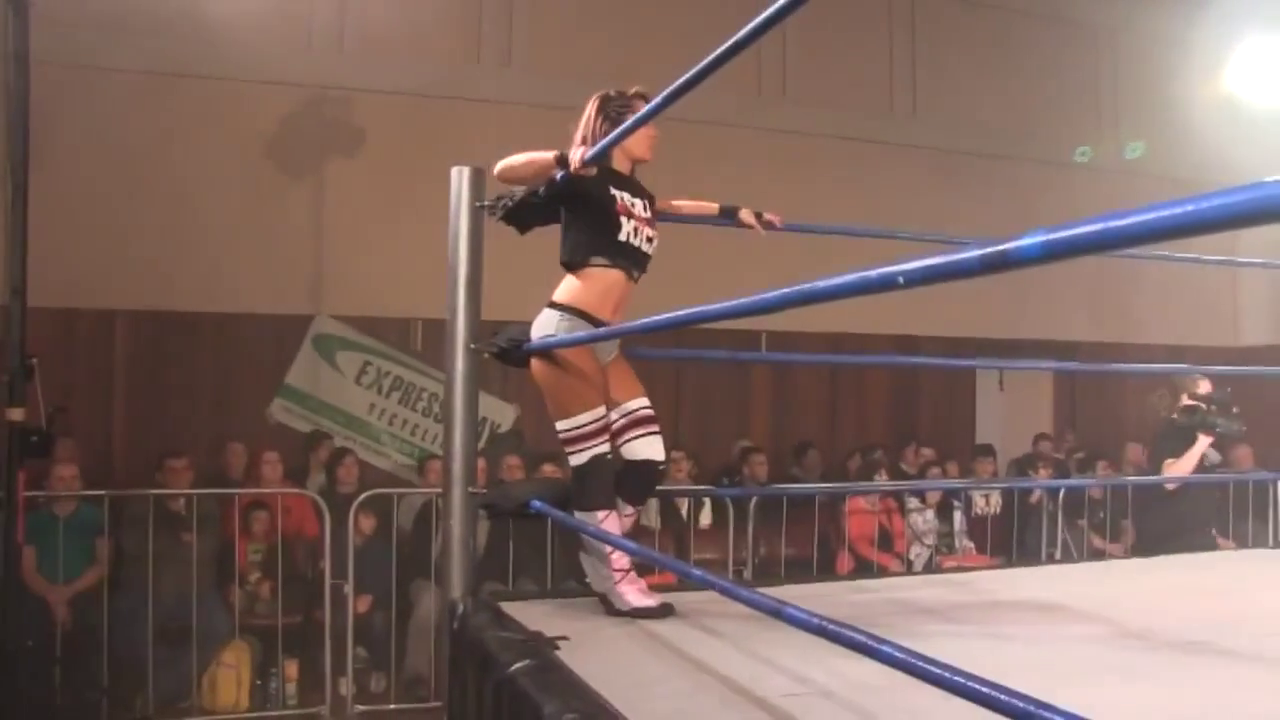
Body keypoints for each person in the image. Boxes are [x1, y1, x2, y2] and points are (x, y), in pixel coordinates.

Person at [487, 87, 781, 618]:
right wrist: (564, 158)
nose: (656, 132)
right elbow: (505, 170)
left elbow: (671, 207)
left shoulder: (638, 195)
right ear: (615, 127)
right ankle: (616, 575)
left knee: (647, 458)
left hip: (605, 340)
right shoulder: (587, 177)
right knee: (595, 463)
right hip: (568, 329)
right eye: (645, 121)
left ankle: (598, 549)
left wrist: (735, 211)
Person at [1134, 374, 1234, 556]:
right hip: (1172, 542)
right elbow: (1169, 479)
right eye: (1206, 395)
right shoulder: (1170, 431)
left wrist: (1213, 536)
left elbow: (1201, 488)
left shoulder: (1194, 432)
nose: (1210, 403)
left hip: (1197, 538)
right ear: (1187, 398)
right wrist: (1201, 444)